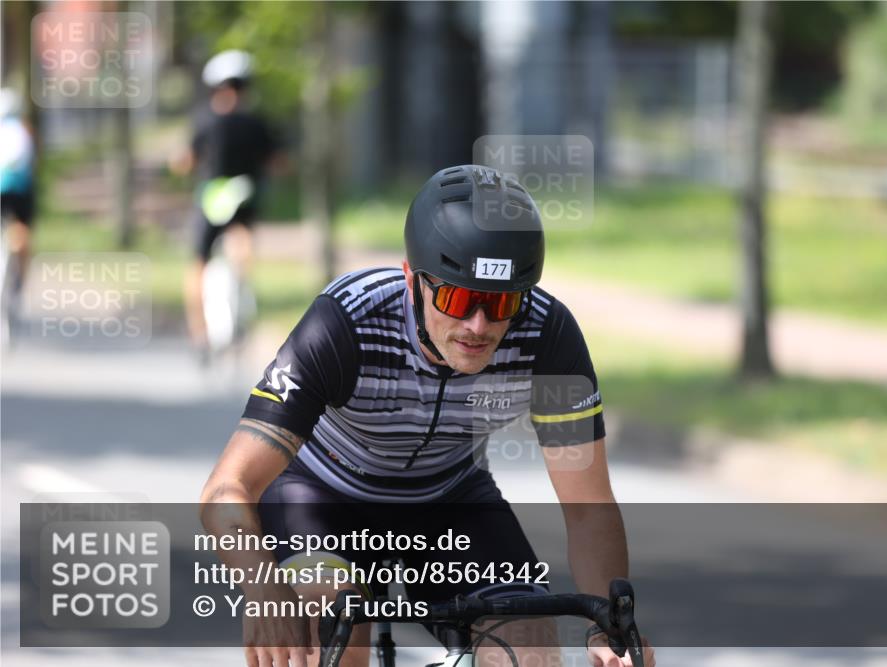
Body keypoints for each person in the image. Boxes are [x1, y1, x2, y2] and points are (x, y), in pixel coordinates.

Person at [200, 165, 655, 667]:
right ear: (411, 279)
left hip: (449, 499)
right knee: (323, 626)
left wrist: (607, 629)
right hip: (322, 496)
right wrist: (263, 586)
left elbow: (588, 507)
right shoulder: (346, 323)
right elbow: (227, 488)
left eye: (501, 302)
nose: (479, 325)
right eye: (458, 298)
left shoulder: (548, 336)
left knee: (528, 643)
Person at [173, 50, 280, 359]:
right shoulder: (256, 123)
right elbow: (277, 161)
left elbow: (186, 160)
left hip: (211, 198)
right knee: (241, 241)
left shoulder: (205, 120)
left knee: (198, 262)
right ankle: (243, 296)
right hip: (244, 196)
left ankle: (199, 333)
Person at [0, 87, 36, 307]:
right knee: (21, 232)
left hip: (8, 191)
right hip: (19, 192)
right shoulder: (23, 130)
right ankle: (19, 281)